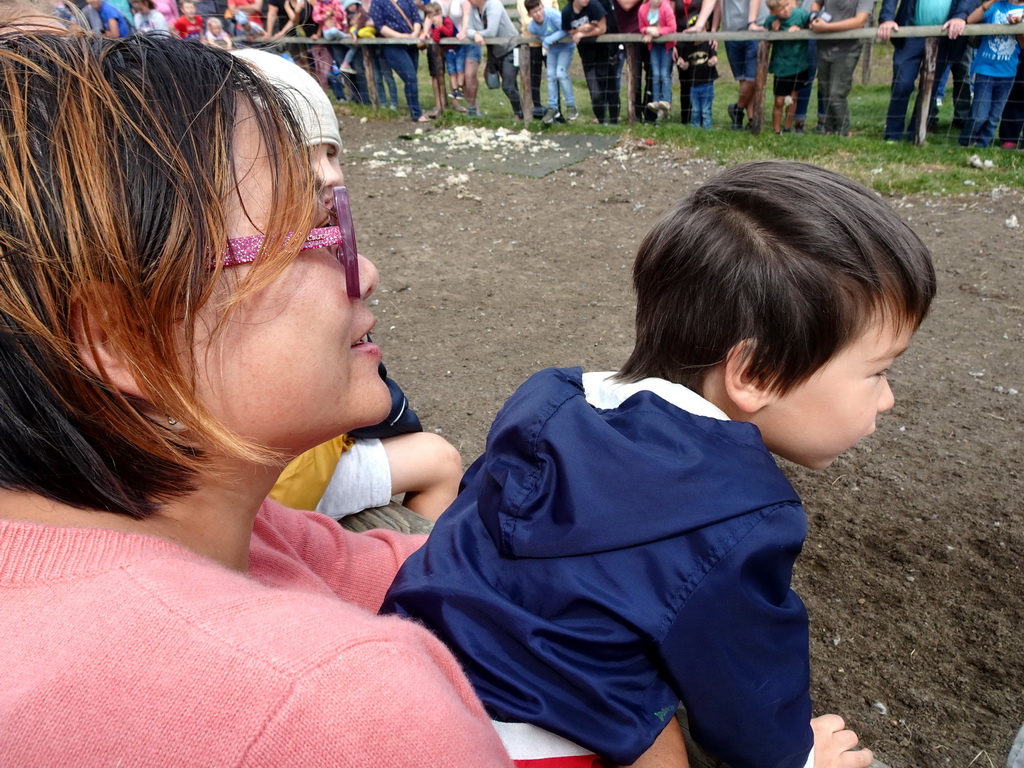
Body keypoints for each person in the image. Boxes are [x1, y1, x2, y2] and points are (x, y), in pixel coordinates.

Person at [0, 31, 513, 767]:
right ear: (120, 336)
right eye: (314, 230)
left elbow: (411, 568)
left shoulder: (181, 517)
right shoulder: (330, 711)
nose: (363, 271)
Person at [383, 160, 937, 768]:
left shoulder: (552, 401)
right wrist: (801, 759)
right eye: (878, 372)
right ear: (755, 373)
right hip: (528, 746)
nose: (888, 398)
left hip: (409, 673)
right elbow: (748, 690)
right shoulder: (735, 519)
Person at [877, 0, 978, 142]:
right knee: (902, 84)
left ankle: (917, 133)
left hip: (944, 36)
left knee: (931, 88)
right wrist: (887, 18)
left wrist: (960, 16)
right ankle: (893, 134)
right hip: (910, 33)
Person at [688, 0, 769, 130]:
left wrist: (752, 22)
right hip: (732, 31)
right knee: (743, 79)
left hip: (755, 30)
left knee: (752, 78)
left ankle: (737, 108)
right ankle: (751, 120)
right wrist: (708, 27)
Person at [958, 0, 1024, 146]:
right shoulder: (996, 6)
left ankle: (983, 145)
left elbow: (1023, 45)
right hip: (985, 69)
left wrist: (1018, 27)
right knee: (979, 114)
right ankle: (965, 142)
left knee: (994, 116)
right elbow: (970, 20)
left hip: (1008, 72)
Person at [809, 0, 872, 137]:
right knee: (824, 90)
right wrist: (814, 17)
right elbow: (816, 3)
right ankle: (829, 130)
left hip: (848, 49)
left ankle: (844, 132)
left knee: (836, 93)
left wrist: (827, 27)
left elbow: (859, 21)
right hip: (824, 45)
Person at [370, 0, 430, 120]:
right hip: (392, 44)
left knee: (412, 79)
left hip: (412, 43)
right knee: (410, 76)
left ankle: (414, 110)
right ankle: (417, 113)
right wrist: (401, 37)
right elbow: (380, 26)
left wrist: (415, 33)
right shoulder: (378, 2)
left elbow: (416, 18)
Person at [467, 0, 524, 119]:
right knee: (508, 85)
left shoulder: (494, 5)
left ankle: (522, 112)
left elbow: (491, 31)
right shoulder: (473, 9)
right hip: (495, 52)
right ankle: (520, 113)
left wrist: (476, 34)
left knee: (508, 85)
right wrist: (475, 34)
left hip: (510, 47)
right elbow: (468, 29)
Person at [761, 0, 811, 134]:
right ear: (773, 12)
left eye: (787, 5)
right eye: (782, 9)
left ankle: (788, 128)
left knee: (793, 98)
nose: (787, 10)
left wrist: (801, 30)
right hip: (781, 66)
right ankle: (776, 130)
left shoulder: (801, 14)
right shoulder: (771, 20)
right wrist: (773, 31)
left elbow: (813, 26)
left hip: (799, 64)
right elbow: (766, 41)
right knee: (779, 101)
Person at [564, 0, 617, 123]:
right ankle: (601, 120)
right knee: (595, 92)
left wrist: (583, 33)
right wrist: (580, 29)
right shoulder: (567, 11)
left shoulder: (595, 6)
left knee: (609, 86)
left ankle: (614, 121)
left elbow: (602, 28)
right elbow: (569, 30)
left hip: (604, 50)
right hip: (586, 54)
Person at [526, 0, 577, 122]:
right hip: (553, 50)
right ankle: (553, 107)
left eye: (539, 9)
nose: (538, 14)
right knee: (550, 76)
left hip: (566, 46)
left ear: (542, 7)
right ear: (529, 15)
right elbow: (541, 36)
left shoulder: (552, 14)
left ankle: (571, 106)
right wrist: (547, 40)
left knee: (561, 73)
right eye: (534, 12)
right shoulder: (532, 27)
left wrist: (548, 41)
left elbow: (565, 29)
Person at [639, 0, 676, 120]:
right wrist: (647, 31)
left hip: (666, 46)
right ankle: (655, 100)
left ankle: (666, 100)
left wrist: (657, 32)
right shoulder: (643, 9)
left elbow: (672, 27)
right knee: (655, 73)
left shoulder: (666, 8)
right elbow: (642, 26)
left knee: (664, 72)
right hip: (653, 45)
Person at [675, 24, 717, 126]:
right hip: (693, 85)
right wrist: (682, 64)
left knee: (706, 110)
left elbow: (715, 57)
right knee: (695, 109)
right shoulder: (688, 48)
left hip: (707, 84)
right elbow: (686, 66)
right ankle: (695, 128)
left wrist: (713, 60)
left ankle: (707, 127)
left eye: (702, 30)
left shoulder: (709, 45)